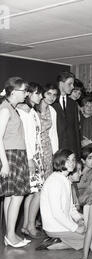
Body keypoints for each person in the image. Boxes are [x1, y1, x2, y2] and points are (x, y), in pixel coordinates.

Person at [0, 77, 31, 248]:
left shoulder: (12, 107)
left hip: (16, 154)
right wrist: (4, 163)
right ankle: (11, 235)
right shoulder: (5, 110)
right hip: (11, 156)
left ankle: (9, 234)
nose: (26, 93)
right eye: (24, 91)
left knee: (10, 196)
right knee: (17, 196)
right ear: (13, 92)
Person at [38, 149, 85, 250]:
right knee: (91, 239)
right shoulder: (55, 181)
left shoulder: (65, 179)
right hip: (55, 227)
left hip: (63, 223)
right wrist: (76, 228)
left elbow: (71, 207)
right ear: (59, 161)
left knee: (91, 233)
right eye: (68, 160)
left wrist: (79, 219)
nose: (72, 163)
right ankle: (53, 244)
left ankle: (61, 240)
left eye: (73, 160)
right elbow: (57, 213)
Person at [17, 82, 45, 239]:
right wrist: (30, 159)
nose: (40, 96)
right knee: (38, 193)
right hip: (30, 157)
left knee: (32, 193)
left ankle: (27, 225)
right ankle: (30, 225)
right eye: (37, 93)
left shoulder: (33, 111)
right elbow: (25, 138)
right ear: (28, 94)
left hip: (37, 156)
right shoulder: (23, 112)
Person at [52, 71, 81, 157]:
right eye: (70, 84)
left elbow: (76, 130)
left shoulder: (73, 104)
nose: (72, 87)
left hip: (71, 150)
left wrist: (78, 154)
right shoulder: (51, 102)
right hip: (56, 149)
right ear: (61, 83)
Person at [37, 83, 59, 178]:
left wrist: (56, 153)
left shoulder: (52, 111)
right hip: (35, 147)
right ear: (43, 94)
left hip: (47, 148)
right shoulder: (34, 108)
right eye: (49, 94)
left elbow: (53, 134)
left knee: (48, 177)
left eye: (54, 95)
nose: (52, 97)